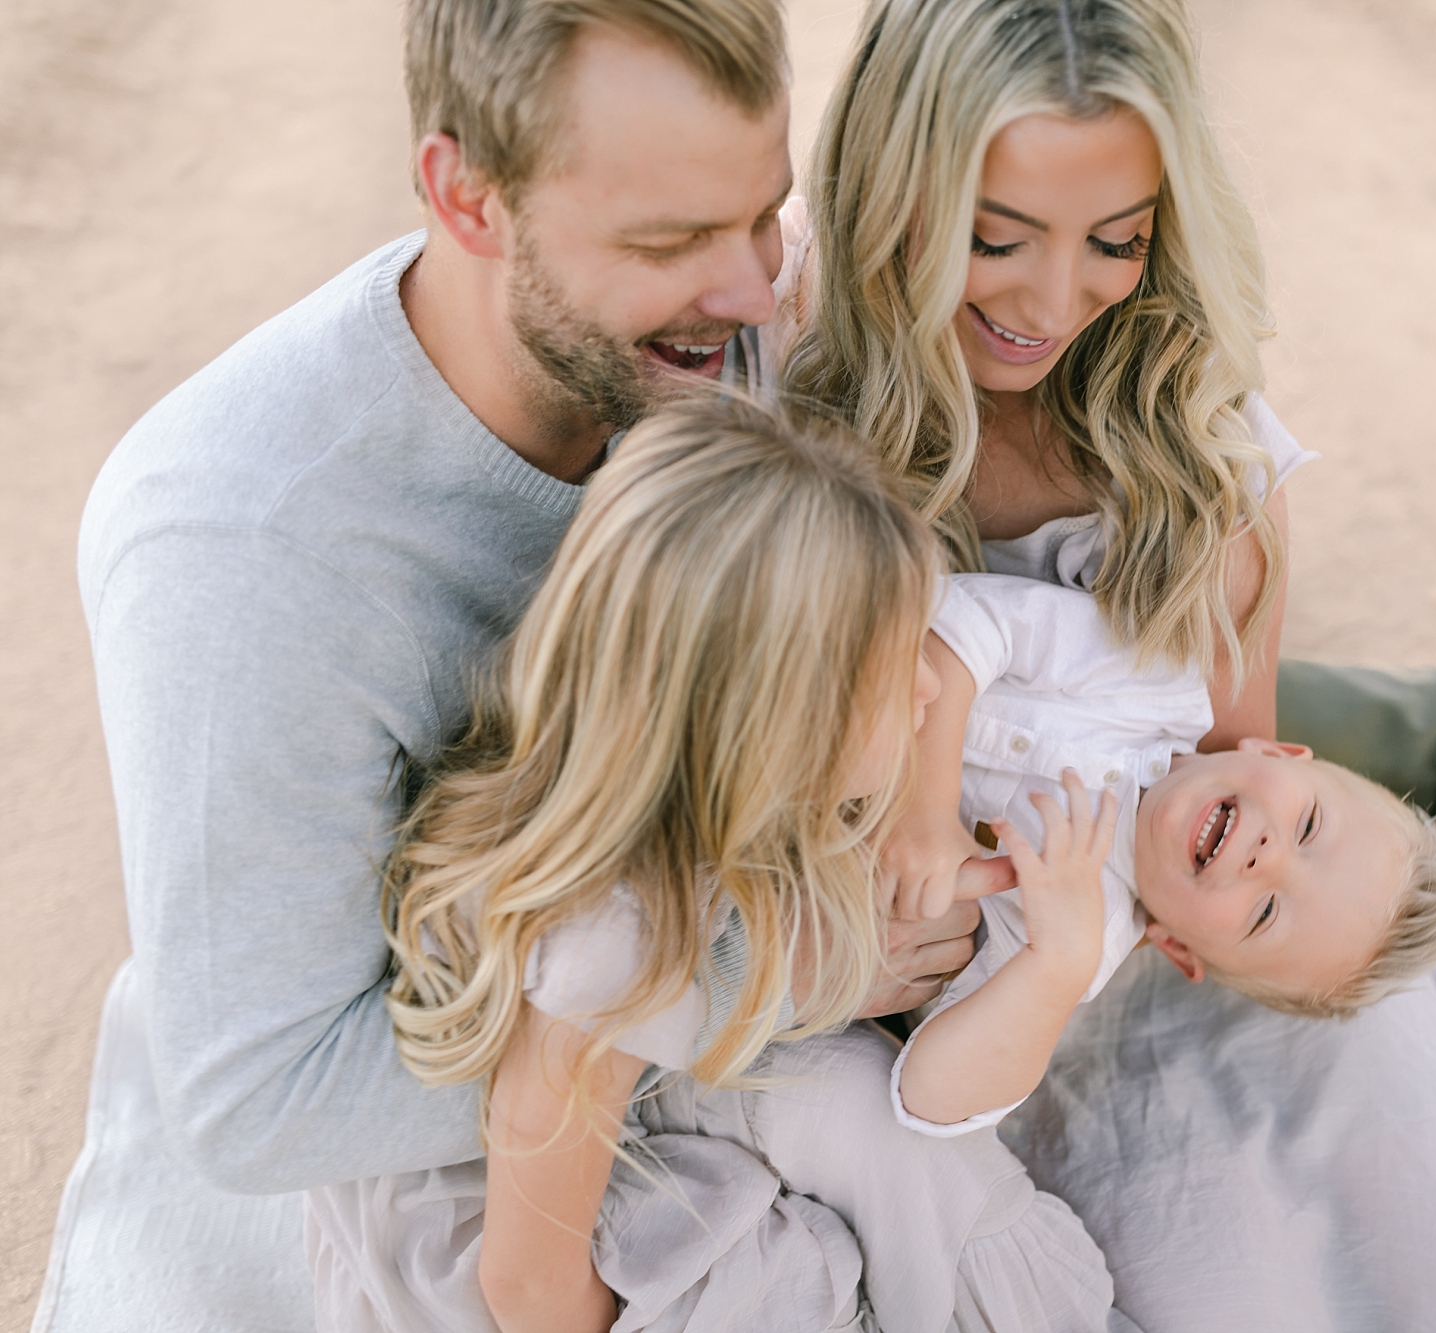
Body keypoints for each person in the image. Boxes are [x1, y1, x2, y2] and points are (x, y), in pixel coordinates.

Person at [77, 0, 986, 1208]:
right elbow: (265, 1105)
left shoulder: (727, 322)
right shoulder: (242, 544)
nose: (758, 292)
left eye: (764, 212)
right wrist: (773, 972)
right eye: (671, 242)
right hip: (410, 1242)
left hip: (768, 1152)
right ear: (466, 198)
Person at [779, 0, 1436, 921]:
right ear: (888, 175)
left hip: (1070, 909)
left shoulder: (1187, 449)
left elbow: (1233, 809)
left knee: (1324, 904)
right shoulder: (769, 334)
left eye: (1119, 240)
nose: (1051, 306)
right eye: (993, 239)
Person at [306, 398, 1121, 1333]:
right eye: (900, 661)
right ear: (777, 713)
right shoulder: (606, 944)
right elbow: (529, 1288)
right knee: (796, 1265)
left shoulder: (699, 812)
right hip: (525, 1261)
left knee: (876, 1133)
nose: (935, 683)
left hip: (636, 1123)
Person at [889, 571, 1436, 1135]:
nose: (1267, 859)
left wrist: (1053, 970)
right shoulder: (1154, 677)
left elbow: (929, 1098)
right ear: (1274, 753)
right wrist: (924, 812)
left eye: (1266, 912)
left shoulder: (1078, 939)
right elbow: (958, 616)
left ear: (1174, 944)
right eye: (1308, 824)